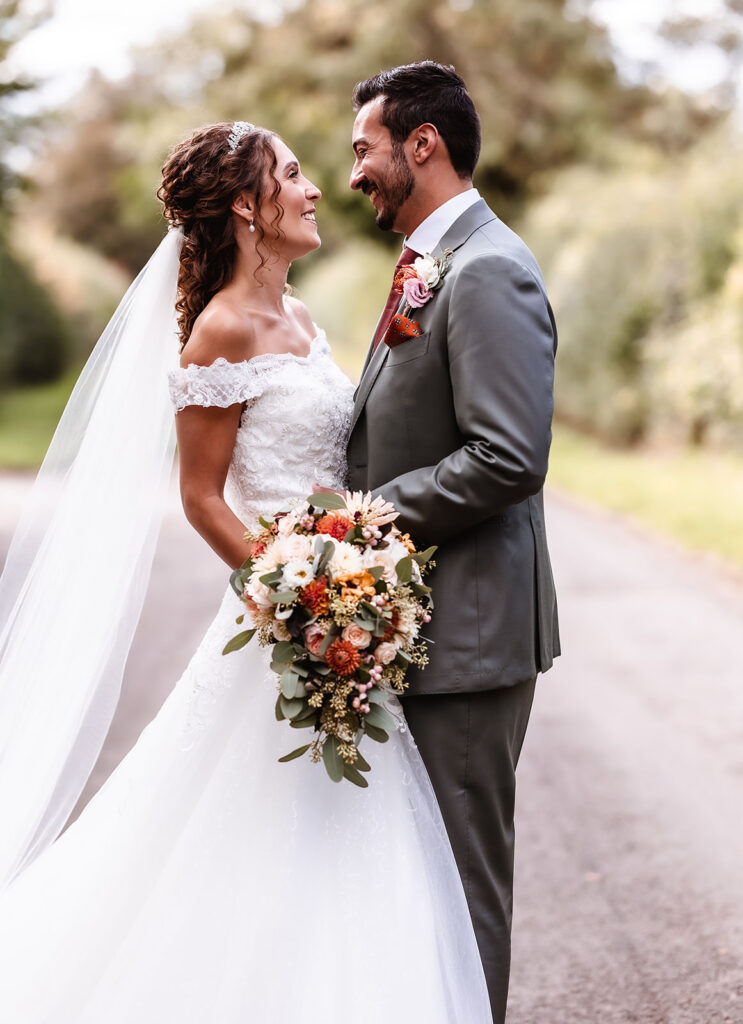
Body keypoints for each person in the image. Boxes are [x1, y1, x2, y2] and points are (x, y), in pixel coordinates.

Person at [0, 122, 493, 1022]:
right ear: (244, 205)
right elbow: (200, 498)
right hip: (286, 614)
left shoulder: (301, 317)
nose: (315, 190)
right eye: (294, 175)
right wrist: (296, 599)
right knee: (247, 823)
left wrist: (352, 580)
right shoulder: (221, 330)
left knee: (340, 825)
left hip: (341, 597)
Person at [346, 62, 561, 1024]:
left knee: (461, 885)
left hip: (468, 641)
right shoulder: (434, 260)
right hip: (429, 631)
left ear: (419, 144)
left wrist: (367, 517)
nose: (355, 172)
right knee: (412, 882)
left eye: (365, 148)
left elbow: (508, 456)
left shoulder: (488, 267)